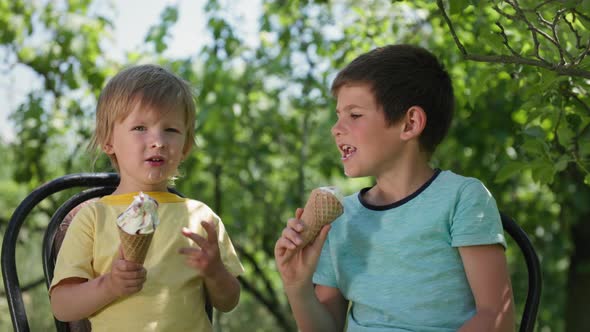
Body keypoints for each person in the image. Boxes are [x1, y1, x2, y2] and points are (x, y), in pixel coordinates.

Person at [274, 44, 515, 331]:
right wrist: (297, 286)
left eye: (354, 115)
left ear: (409, 123)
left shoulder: (462, 198)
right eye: (338, 115)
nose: (336, 128)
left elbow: (495, 318)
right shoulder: (339, 218)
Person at [49, 64, 244, 331]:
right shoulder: (93, 217)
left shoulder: (200, 218)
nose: (158, 141)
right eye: (140, 128)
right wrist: (109, 285)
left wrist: (215, 272)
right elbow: (62, 305)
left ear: (186, 146)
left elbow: (228, 301)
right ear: (108, 141)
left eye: (171, 130)